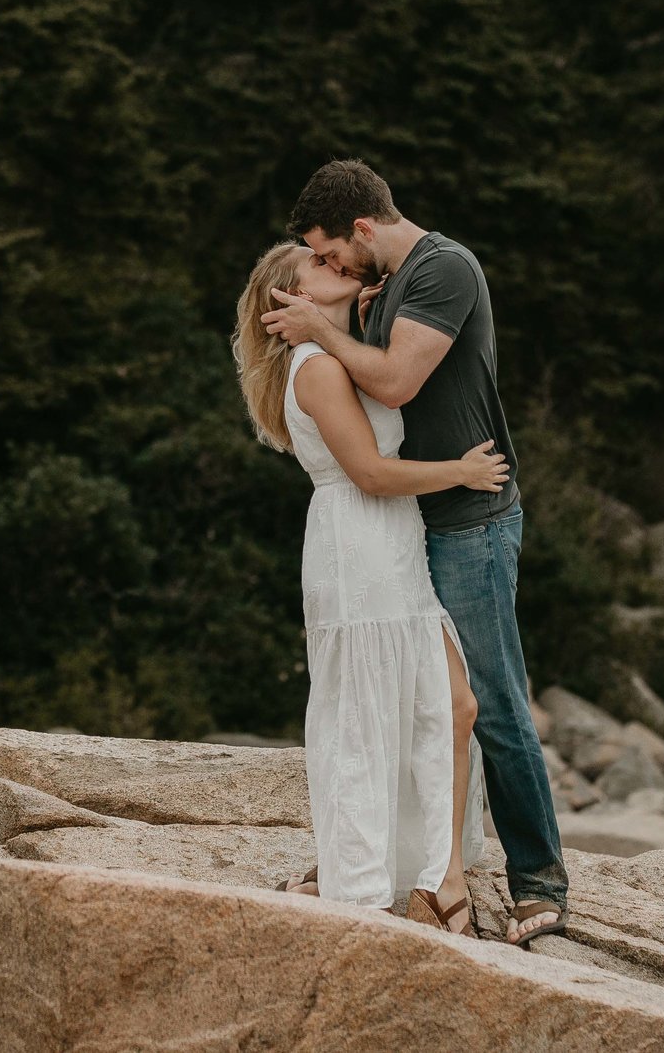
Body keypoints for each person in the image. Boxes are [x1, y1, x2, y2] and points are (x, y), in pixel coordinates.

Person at [259, 159, 570, 945]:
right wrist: (339, 322)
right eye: (318, 265)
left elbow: (394, 380)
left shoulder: (444, 269)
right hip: (403, 525)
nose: (331, 268)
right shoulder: (382, 288)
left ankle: (537, 881)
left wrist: (328, 324)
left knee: (486, 700)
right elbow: (356, 415)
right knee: (410, 701)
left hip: (467, 519)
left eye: (331, 253)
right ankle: (402, 868)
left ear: (362, 230)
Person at [231, 241, 501, 933]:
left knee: (453, 704)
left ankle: (436, 876)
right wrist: (460, 472)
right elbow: (371, 473)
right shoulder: (314, 368)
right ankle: (375, 884)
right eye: (318, 266)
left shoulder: (342, 352)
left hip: (394, 545)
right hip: (358, 544)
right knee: (368, 717)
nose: (336, 265)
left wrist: (361, 308)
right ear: (287, 300)